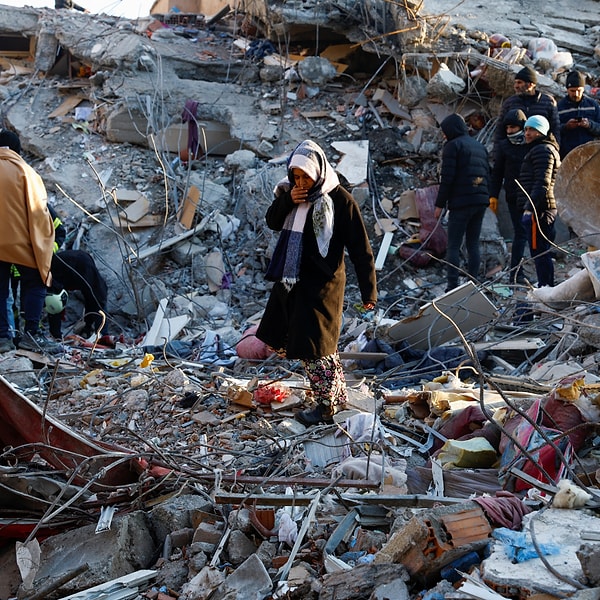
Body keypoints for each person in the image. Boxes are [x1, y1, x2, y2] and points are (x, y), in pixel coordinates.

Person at [256, 140, 377, 426]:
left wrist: (368, 290)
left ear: (318, 171)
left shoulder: (340, 200)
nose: (300, 182)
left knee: (316, 348)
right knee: (314, 346)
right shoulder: (291, 196)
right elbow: (272, 220)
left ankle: (325, 409)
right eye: (295, 176)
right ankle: (335, 398)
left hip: (323, 286)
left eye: (305, 176)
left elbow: (361, 249)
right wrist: (288, 200)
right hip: (292, 282)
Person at [0, 130, 57, 353]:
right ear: (16, 149)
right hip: (21, 244)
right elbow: (39, 213)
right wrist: (44, 246)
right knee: (35, 282)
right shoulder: (26, 172)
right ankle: (31, 335)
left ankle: (2, 339)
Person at [434, 114, 490, 292]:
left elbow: (447, 178)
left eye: (445, 132)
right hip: (480, 201)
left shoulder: (453, 146)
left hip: (461, 203)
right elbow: (488, 174)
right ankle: (473, 284)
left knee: (453, 245)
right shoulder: (480, 146)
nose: (444, 136)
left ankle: (452, 287)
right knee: (473, 243)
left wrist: (439, 205)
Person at [516, 115, 561, 288]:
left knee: (540, 252)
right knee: (541, 251)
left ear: (541, 131)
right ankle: (546, 286)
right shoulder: (540, 149)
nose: (527, 133)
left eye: (532, 130)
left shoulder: (543, 150)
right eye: (526, 129)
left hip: (539, 210)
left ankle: (546, 288)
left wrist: (529, 209)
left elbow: (542, 183)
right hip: (540, 208)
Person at [489, 109, 530, 284]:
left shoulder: (531, 144)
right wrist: (493, 196)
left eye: (513, 127)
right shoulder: (504, 147)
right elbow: (497, 173)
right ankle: (516, 273)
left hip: (532, 197)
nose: (510, 131)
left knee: (531, 234)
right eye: (507, 128)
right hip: (514, 197)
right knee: (520, 234)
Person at [46, 249, 109, 339]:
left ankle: (101, 335)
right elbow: (54, 304)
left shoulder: (90, 276)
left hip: (82, 264)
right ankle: (56, 335)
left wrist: (89, 326)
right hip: (61, 267)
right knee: (55, 301)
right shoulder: (56, 269)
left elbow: (97, 301)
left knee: (95, 299)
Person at [495, 66, 560, 147]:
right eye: (515, 83)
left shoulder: (548, 102)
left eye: (519, 82)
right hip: (514, 151)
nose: (516, 86)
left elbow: (555, 129)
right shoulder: (509, 103)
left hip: (539, 150)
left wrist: (555, 149)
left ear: (530, 84)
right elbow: (500, 131)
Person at [557, 70, 600, 159]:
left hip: (590, 155)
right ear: (567, 90)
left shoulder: (593, 105)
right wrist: (566, 127)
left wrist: (589, 125)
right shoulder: (559, 107)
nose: (576, 94)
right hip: (568, 155)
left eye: (579, 90)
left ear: (583, 89)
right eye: (572, 91)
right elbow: (554, 130)